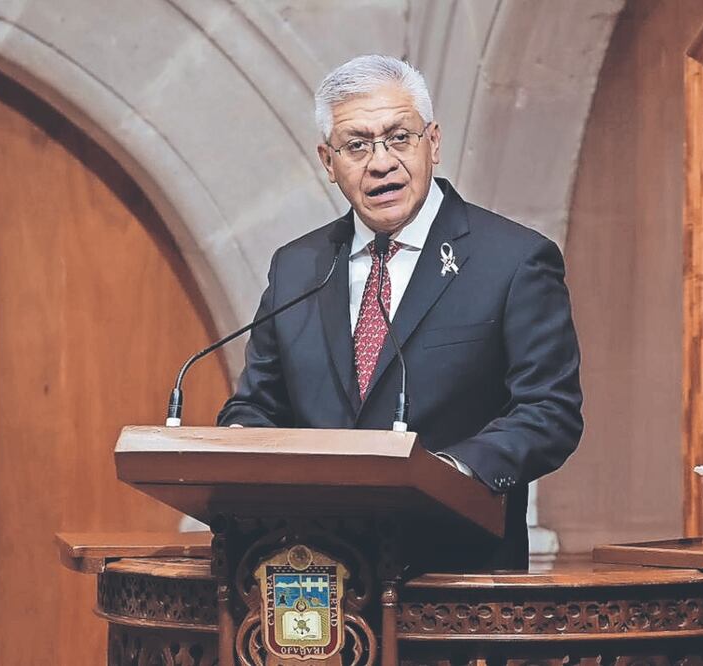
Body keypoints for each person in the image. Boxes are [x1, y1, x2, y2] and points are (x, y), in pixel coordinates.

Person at [217, 55, 583, 569]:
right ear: (328, 161)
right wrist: (238, 445)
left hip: (456, 580)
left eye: (398, 137)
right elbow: (258, 406)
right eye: (357, 145)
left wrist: (445, 473)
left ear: (432, 142)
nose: (381, 161)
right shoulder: (298, 267)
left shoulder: (514, 260)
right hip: (313, 575)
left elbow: (549, 412)